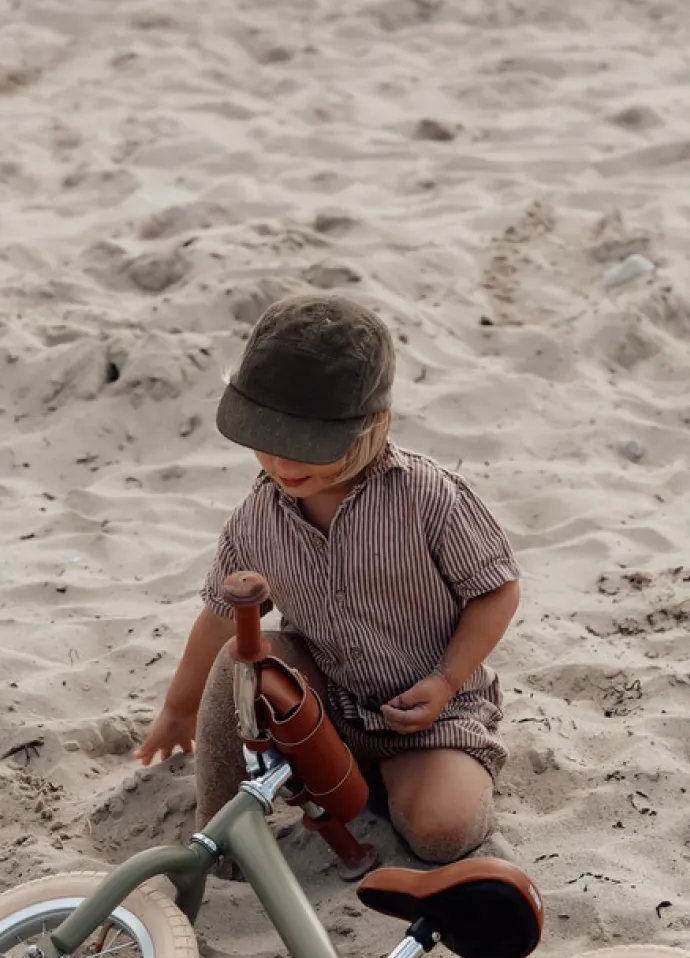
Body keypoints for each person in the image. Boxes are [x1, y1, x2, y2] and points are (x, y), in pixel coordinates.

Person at [136, 294, 521, 864]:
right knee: (250, 654)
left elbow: (496, 590)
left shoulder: (429, 497)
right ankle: (222, 835)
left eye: (308, 445)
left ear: (375, 423)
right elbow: (220, 617)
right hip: (323, 708)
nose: (285, 463)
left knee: (441, 832)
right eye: (267, 439)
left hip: (430, 710)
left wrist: (445, 679)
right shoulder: (255, 520)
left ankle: (416, 782)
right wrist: (176, 709)